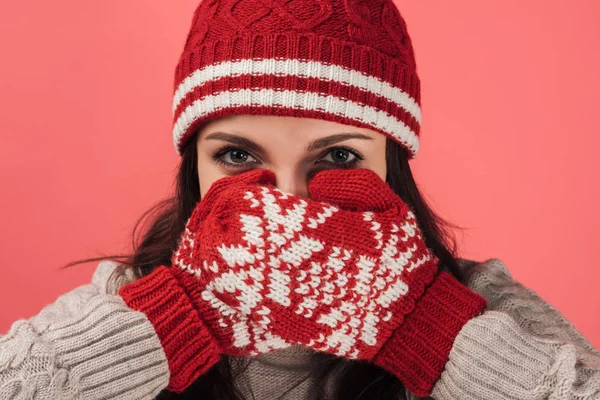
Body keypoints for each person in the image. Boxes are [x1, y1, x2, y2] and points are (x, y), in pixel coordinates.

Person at [1, 0, 599, 399]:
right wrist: (170, 322)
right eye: (237, 155)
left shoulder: (478, 304)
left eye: (337, 157)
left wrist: (427, 327)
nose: (288, 200)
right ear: (193, 165)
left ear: (392, 163)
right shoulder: (126, 299)